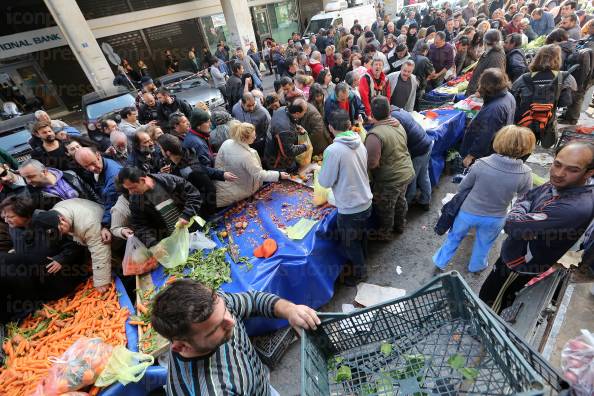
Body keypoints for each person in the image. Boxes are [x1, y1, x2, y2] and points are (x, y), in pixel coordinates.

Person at [151, 279, 320, 396]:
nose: (231, 321)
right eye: (216, 328)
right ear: (182, 347)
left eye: (225, 311)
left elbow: (253, 301)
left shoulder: (214, 306)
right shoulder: (215, 390)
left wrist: (290, 310)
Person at [479, 142, 594, 312]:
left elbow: (512, 225)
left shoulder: (573, 207)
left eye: (573, 169)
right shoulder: (565, 184)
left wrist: (521, 212)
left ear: (589, 173)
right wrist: (525, 211)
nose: (559, 173)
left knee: (492, 299)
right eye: (557, 164)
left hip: (519, 264)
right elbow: (529, 194)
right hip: (520, 252)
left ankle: (483, 327)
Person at [434, 126, 535, 273]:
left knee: (454, 238)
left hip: (468, 213)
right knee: (484, 244)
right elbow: (524, 200)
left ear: (499, 141)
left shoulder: (482, 163)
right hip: (496, 217)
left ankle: (440, 262)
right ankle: (477, 266)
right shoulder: (526, 173)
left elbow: (463, 187)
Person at [0, 196, 87, 323]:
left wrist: (60, 259)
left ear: (24, 214)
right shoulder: (14, 229)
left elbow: (75, 245)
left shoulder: (47, 221)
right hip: (37, 279)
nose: (7, 221)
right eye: (4, 218)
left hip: (60, 277)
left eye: (10, 217)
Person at [318, 109, 372, 285]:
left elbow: (325, 181)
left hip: (350, 207)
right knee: (362, 236)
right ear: (349, 125)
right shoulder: (360, 141)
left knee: (351, 243)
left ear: (331, 127)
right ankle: (363, 262)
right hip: (366, 201)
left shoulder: (333, 150)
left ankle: (360, 274)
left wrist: (319, 172)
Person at [118, 167, 203, 248]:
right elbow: (140, 226)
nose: (130, 192)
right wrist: (153, 244)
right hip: (172, 241)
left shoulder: (169, 181)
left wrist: (186, 215)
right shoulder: (135, 201)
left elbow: (194, 195)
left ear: (142, 180)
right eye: (128, 189)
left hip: (193, 230)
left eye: (132, 188)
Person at [366, 96, 414, 238]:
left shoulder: (375, 135)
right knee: (400, 200)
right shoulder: (397, 124)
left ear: (372, 115)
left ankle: (384, 233)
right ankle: (400, 225)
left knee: (386, 208)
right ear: (389, 111)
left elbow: (372, 163)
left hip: (390, 179)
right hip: (405, 171)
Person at [511, 44, 577, 144]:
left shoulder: (525, 78)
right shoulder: (565, 77)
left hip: (525, 121)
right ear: (558, 59)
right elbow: (565, 102)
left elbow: (512, 95)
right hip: (547, 122)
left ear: (537, 58)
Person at [215, 122, 290, 207]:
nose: (255, 137)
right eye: (253, 136)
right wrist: (279, 175)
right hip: (237, 192)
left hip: (224, 186)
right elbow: (259, 175)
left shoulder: (227, 142)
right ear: (244, 138)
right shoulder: (246, 155)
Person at [158, 134, 231, 217]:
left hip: (200, 213)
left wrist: (206, 214)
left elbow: (210, 188)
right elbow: (202, 168)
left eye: (161, 149)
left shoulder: (190, 170)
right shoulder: (180, 160)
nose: (160, 151)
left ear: (168, 152)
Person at [461, 68, 516, 167]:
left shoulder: (494, 109)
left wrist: (471, 155)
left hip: (485, 155)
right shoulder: (508, 95)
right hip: (498, 146)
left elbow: (485, 135)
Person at [389, 106, 434, 210]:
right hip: (427, 143)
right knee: (423, 174)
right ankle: (425, 201)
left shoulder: (393, 119)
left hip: (418, 151)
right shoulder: (401, 111)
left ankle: (408, 202)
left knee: (412, 178)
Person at [74, 147, 122, 232]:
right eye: (86, 166)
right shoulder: (99, 166)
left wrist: (105, 226)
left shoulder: (113, 176)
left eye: (93, 163)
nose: (92, 168)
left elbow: (111, 203)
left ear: (98, 155)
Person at [19, 159, 99, 207]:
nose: (28, 181)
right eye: (25, 178)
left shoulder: (70, 174)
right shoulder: (31, 195)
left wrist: (103, 209)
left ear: (44, 172)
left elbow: (91, 192)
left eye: (30, 176)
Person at [263, 102, 309, 172]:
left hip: (271, 148)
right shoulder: (285, 129)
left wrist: (296, 128)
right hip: (277, 160)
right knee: (282, 179)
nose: (305, 113)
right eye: (304, 112)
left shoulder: (282, 109)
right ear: (297, 113)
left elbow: (289, 122)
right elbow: (289, 151)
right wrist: (305, 147)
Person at [465, 29, 506, 96]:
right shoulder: (490, 52)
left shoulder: (496, 57)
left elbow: (494, 79)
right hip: (475, 91)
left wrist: (481, 93)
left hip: (481, 95)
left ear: (485, 42)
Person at [231, 92, 270, 157]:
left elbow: (269, 129)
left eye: (253, 104)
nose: (251, 108)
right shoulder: (235, 109)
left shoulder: (263, 112)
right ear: (242, 103)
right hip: (244, 144)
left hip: (259, 144)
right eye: (249, 106)